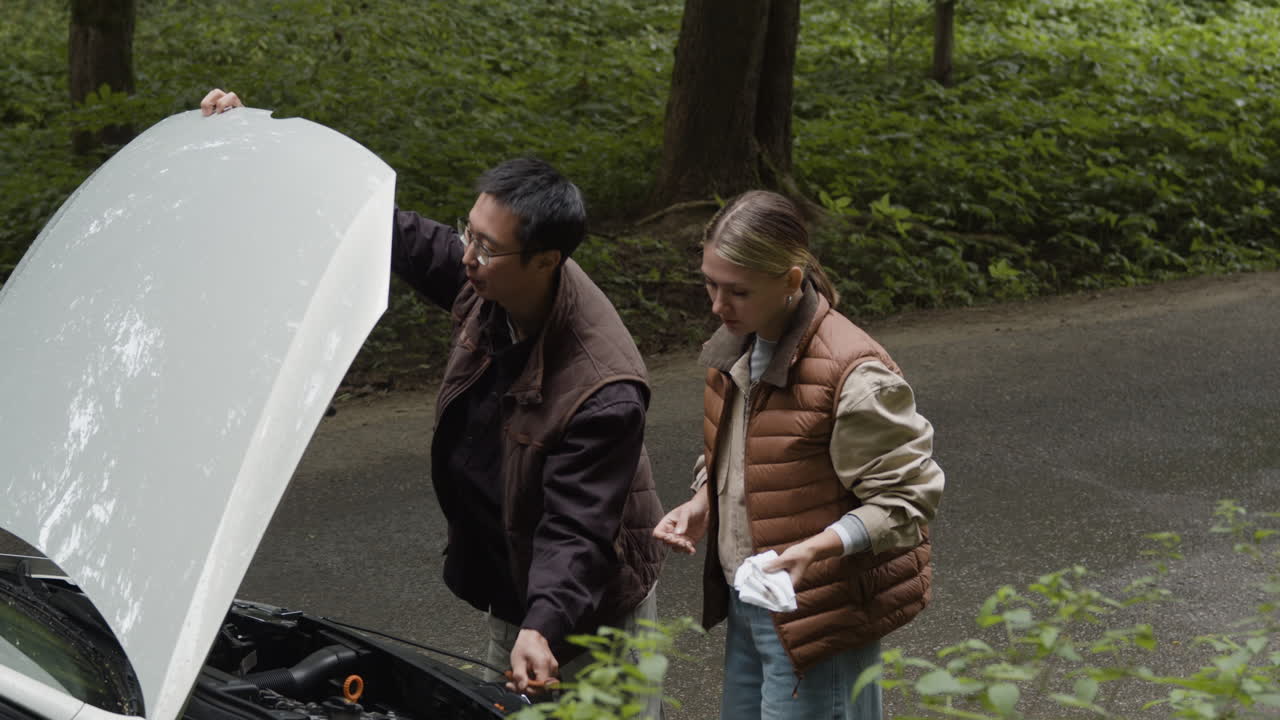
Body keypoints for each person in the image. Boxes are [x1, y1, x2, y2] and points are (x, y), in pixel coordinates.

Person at [199, 90, 667, 709]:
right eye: (467, 233)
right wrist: (259, 144)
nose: (467, 256)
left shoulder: (603, 389)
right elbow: (389, 229)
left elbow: (576, 530)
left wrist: (542, 626)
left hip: (587, 612)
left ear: (546, 260)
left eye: (487, 247)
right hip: (517, 590)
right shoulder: (490, 282)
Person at [652, 190, 944, 719]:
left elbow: (907, 501)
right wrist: (702, 501)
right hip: (752, 600)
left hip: (819, 614)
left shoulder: (854, 372)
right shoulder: (734, 345)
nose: (718, 306)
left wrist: (818, 548)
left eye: (737, 291)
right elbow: (741, 453)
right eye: (710, 284)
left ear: (790, 281)